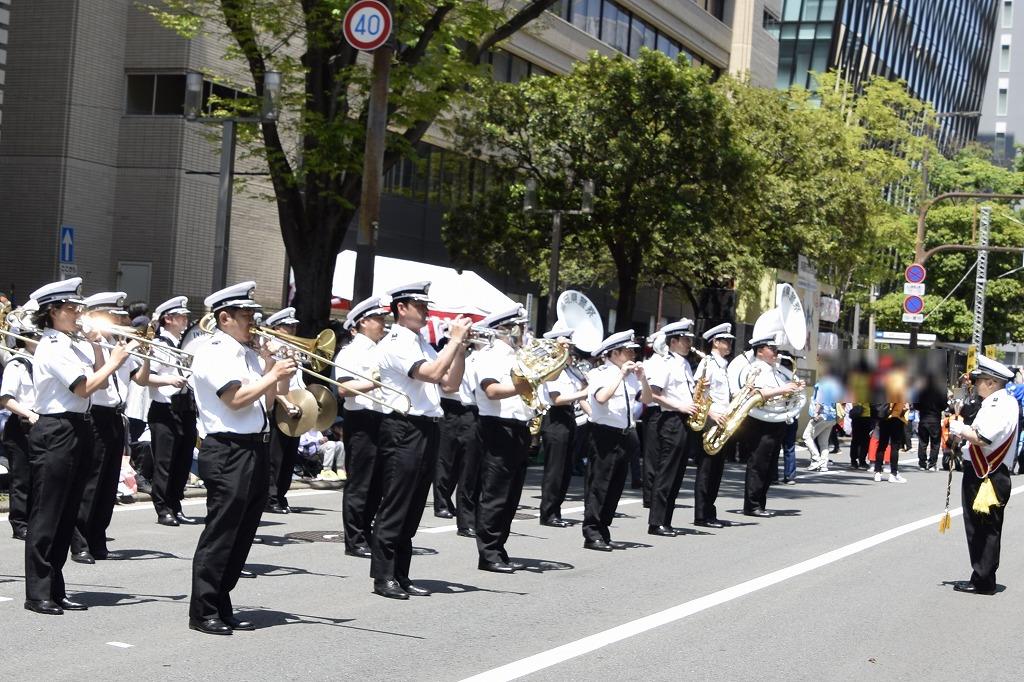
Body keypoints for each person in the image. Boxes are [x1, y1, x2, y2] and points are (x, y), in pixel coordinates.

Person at [187, 281, 296, 635]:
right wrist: (272, 375)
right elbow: (234, 400)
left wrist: (272, 369)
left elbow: (262, 403)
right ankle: (203, 609)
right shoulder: (213, 351)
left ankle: (221, 599)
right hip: (228, 449)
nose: (253, 321)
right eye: (246, 315)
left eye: (252, 314)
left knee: (243, 532)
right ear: (224, 317)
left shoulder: (245, 353)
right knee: (222, 532)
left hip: (253, 446)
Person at [24, 277, 134, 616]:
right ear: (53, 311)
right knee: (48, 514)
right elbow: (83, 387)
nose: (78, 312)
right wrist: (115, 361)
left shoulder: (73, 343)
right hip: (56, 429)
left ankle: (56, 588)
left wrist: (100, 347)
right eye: (72, 307)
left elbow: (102, 379)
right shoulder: (52, 346)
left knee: (67, 512)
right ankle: (38, 592)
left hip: (79, 428)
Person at [370, 282, 470, 599]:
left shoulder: (421, 344)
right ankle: (383, 576)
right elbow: (429, 374)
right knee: (396, 503)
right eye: (420, 305)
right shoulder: (396, 342)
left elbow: (450, 383)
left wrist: (461, 351)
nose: (426, 311)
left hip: (426, 426)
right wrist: (453, 341)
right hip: (402, 427)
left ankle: (401, 573)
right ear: (402, 308)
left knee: (413, 506)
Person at [70, 292, 151, 563]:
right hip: (95, 416)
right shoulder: (85, 344)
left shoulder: (118, 344)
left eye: (120, 315)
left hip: (117, 417)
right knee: (91, 482)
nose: (120, 320)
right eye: (113, 316)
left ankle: (98, 539)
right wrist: (98, 347)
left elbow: (139, 379)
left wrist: (147, 354)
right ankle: (80, 541)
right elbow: (96, 381)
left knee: (108, 484)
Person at [472, 305, 541, 573]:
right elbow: (492, 390)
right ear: (507, 328)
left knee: (511, 495)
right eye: (521, 327)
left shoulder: (519, 356)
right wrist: (523, 385)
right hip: (497, 427)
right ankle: (488, 553)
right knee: (495, 494)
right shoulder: (489, 356)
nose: (524, 332)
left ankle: (499, 547)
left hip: (519, 427)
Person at [947, 356, 1019, 595]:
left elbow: (983, 437)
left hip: (986, 473)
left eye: (978, 379)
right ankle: (981, 576)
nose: (975, 383)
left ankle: (983, 580)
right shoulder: (996, 403)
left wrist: (959, 428)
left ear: (991, 382)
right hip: (986, 471)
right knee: (981, 527)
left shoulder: (999, 405)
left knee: (982, 528)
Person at [582, 330, 652, 551]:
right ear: (614, 353)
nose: (632, 354)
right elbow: (601, 398)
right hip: (604, 434)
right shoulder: (600, 374)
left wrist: (643, 379)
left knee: (615, 486)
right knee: (599, 485)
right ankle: (591, 532)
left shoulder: (632, 376)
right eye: (628, 350)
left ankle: (604, 529)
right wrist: (620, 375)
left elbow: (648, 399)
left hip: (625, 434)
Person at [334, 295, 391, 558]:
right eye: (378, 319)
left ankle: (367, 532)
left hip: (382, 419)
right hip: (361, 422)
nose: (383, 324)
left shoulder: (381, 349)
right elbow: (344, 388)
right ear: (363, 322)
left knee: (378, 482)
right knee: (360, 482)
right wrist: (374, 382)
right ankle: (354, 538)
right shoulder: (351, 352)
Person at [147, 296, 198, 527]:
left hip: (184, 407)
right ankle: (162, 507)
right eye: (181, 316)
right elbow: (144, 377)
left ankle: (176, 504)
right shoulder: (159, 344)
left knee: (183, 460)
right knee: (165, 463)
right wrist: (168, 379)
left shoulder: (181, 344)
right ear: (168, 319)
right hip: (165, 409)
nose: (186, 320)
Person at [739, 332, 802, 517]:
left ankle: (760, 503)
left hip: (776, 421)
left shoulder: (775, 371)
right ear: (760, 351)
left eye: (776, 349)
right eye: (771, 349)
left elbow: (779, 394)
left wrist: (793, 389)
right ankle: (751, 505)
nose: (776, 352)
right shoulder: (755, 369)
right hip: (761, 422)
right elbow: (756, 393)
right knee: (758, 464)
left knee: (770, 464)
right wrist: (783, 389)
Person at [644, 319, 697, 536]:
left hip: (683, 419)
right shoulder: (663, 362)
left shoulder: (683, 363)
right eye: (685, 339)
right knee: (666, 472)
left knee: (677, 474)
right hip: (670, 419)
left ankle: (666, 519)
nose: (688, 343)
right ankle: (656, 522)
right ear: (673, 341)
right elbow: (654, 394)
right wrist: (680, 405)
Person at [538, 326, 588, 528]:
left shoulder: (570, 370)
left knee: (565, 469)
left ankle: (556, 510)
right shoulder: (551, 369)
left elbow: (583, 390)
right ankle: (548, 513)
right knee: (555, 469)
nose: (570, 350)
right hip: (555, 418)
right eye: (565, 346)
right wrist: (583, 394)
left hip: (569, 418)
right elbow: (557, 399)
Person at [434, 338, 481, 538]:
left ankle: (467, 520)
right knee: (446, 461)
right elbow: (446, 386)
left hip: (472, 411)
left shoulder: (478, 357)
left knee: (469, 468)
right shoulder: (444, 355)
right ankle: (442, 503)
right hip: (450, 409)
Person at [0, 303, 39, 540]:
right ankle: (19, 522)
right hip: (22, 424)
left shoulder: (45, 363)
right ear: (27, 338)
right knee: (22, 477)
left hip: (42, 424)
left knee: (39, 477)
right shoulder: (17, 363)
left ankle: (35, 519)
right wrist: (28, 413)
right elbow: (5, 399)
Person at [691, 323, 734, 528]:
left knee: (717, 469)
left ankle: (710, 511)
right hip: (711, 420)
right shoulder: (707, 363)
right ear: (715, 342)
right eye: (725, 340)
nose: (729, 343)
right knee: (707, 469)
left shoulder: (723, 365)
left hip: (723, 420)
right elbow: (697, 395)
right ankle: (702, 514)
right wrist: (712, 413)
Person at [264, 306, 306, 514]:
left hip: (296, 406)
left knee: (289, 456)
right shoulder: (273, 352)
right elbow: (271, 383)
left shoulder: (294, 350)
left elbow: (298, 382)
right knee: (276, 456)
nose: (292, 330)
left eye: (294, 326)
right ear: (276, 329)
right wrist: (287, 404)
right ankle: (271, 497)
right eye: (287, 327)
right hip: (281, 407)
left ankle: (281, 494)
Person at [871, 358, 909, 484]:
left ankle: (877, 472)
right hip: (896, 417)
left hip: (883, 416)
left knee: (882, 444)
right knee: (894, 447)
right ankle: (893, 473)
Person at [804, 363, 842, 472]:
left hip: (821, 415)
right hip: (832, 416)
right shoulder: (836, 385)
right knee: (824, 442)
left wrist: (815, 413)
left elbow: (819, 400)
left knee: (807, 436)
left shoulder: (822, 384)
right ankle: (824, 464)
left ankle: (816, 459)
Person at [916, 373, 948, 471]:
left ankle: (922, 463)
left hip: (923, 419)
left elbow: (916, 405)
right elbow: (944, 405)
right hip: (935, 419)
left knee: (922, 441)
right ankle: (932, 464)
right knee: (935, 443)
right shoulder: (940, 392)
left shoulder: (921, 391)